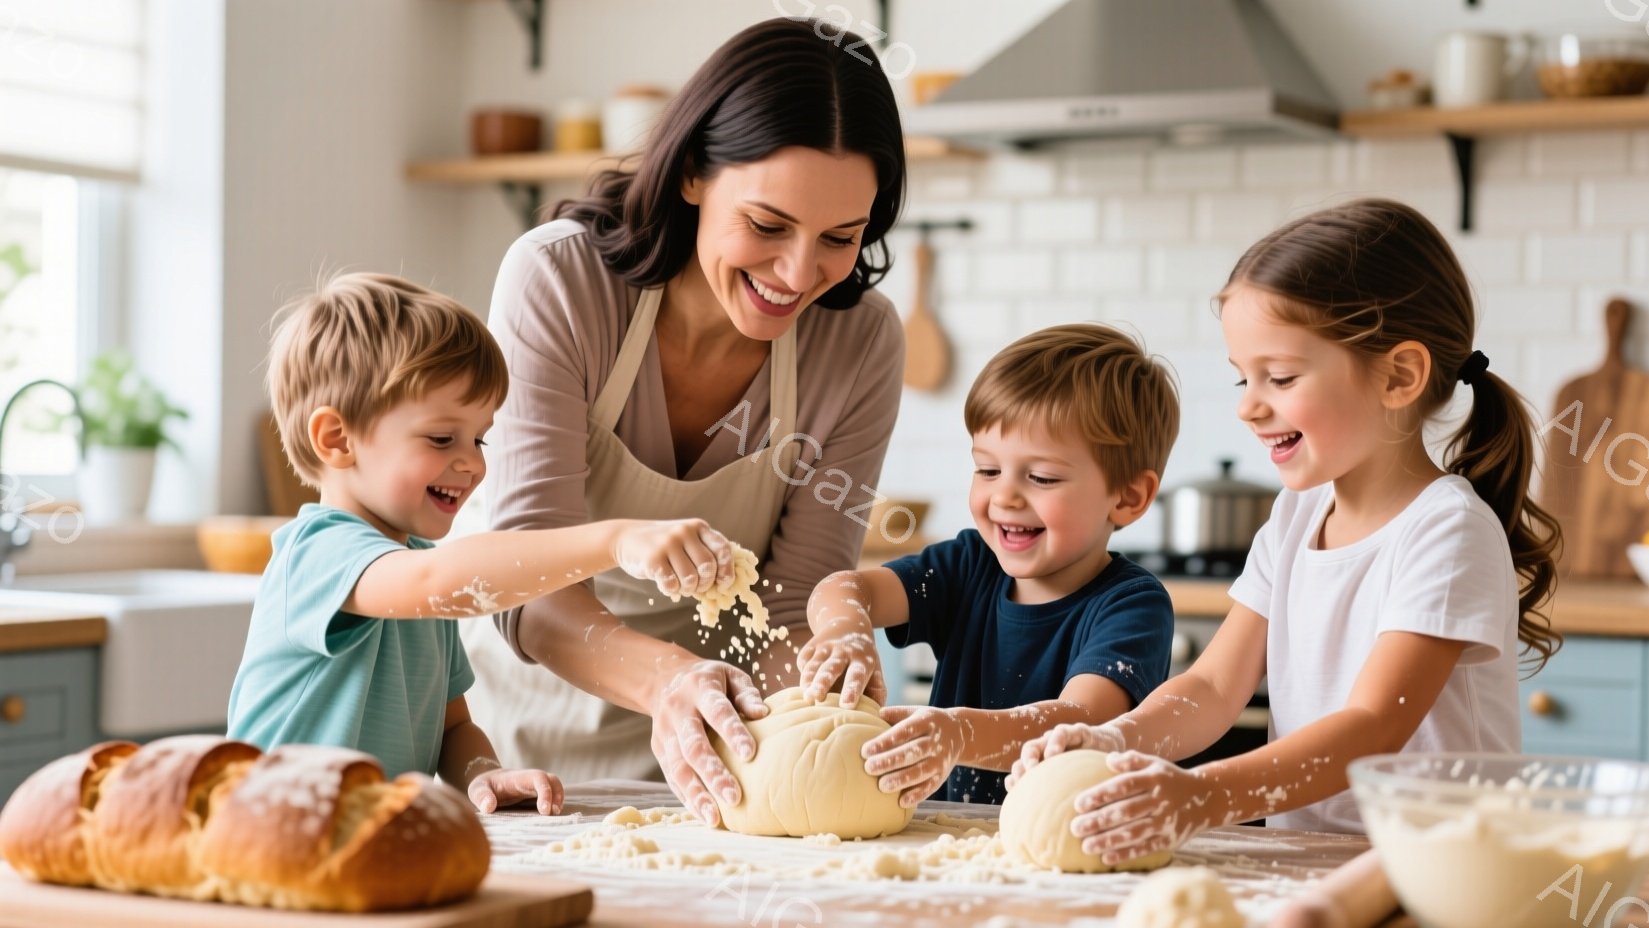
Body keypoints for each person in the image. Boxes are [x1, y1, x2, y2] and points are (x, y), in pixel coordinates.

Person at [1009, 198, 1562, 863]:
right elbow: (1214, 687)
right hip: (1308, 862)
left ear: (1399, 376)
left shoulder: (1448, 532)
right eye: (1244, 376)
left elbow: (1371, 727)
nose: (1248, 404)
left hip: (1443, 873)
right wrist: (1118, 738)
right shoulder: (1298, 515)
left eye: (1280, 376)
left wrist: (1204, 795)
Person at [461, 16, 907, 829]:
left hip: (718, 752)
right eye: (768, 226)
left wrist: (819, 700)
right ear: (694, 174)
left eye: (840, 237)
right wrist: (669, 680)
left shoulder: (861, 342)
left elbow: (795, 594)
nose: (799, 273)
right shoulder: (561, 281)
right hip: (514, 743)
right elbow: (530, 577)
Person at [227, 273, 738, 815]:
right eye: (442, 438)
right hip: (267, 838)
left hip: (371, 846)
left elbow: (453, 726)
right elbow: (443, 581)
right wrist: (614, 539)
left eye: (480, 437)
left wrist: (484, 775)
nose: (472, 462)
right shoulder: (316, 552)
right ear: (337, 439)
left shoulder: (420, 570)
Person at [795, 323, 1181, 806]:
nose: (1004, 496)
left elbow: (1079, 719)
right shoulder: (969, 566)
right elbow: (846, 588)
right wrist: (844, 630)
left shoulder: (1132, 606)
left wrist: (956, 732)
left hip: (1076, 848)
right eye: (987, 469)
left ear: (1127, 497)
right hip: (957, 842)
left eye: (1041, 476)